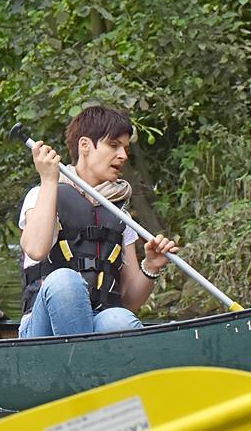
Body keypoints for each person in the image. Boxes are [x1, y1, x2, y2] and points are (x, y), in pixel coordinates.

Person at [18, 105, 179, 338]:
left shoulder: (119, 213)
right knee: (65, 281)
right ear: (85, 145)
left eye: (125, 148)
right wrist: (49, 180)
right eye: (114, 145)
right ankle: (82, 358)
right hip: (41, 329)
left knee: (121, 320)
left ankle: (87, 356)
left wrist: (151, 266)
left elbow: (129, 302)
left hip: (96, 319)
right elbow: (35, 249)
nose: (123, 155)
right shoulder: (42, 194)